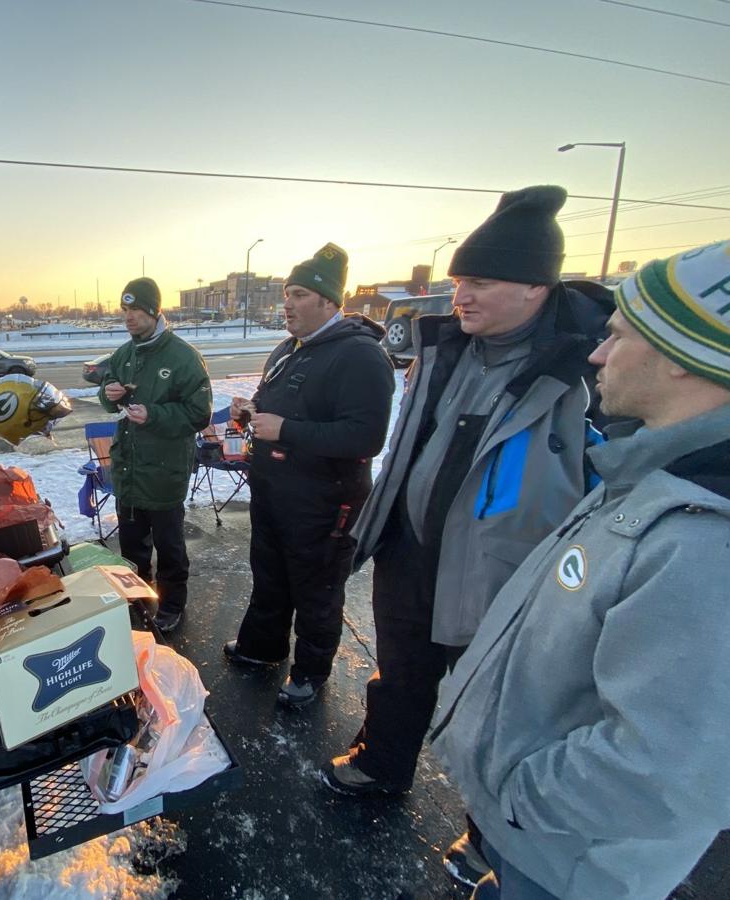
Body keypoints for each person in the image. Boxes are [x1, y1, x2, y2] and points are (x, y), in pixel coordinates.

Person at [325, 185, 614, 883]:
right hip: (410, 550)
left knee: (498, 712)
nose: (461, 295)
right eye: (457, 280)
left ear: (535, 286)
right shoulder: (448, 349)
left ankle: (491, 837)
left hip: (503, 573)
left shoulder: (585, 370)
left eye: (479, 281)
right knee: (400, 673)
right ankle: (382, 763)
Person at [430, 240, 730, 900]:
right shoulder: (645, 474)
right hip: (537, 842)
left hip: (570, 864)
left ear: (684, 359)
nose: (597, 352)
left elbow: (669, 770)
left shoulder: (704, 539)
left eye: (617, 336)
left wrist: (516, 797)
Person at [222, 242, 394, 707]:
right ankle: (263, 647)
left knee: (316, 590)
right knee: (270, 575)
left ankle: (310, 673)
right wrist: (250, 414)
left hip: (325, 502)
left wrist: (286, 429)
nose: (287, 303)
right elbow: (281, 411)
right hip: (276, 492)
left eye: (298, 294)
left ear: (329, 301)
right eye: (286, 293)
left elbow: (365, 437)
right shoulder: (290, 348)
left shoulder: (360, 355)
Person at [98, 277, 212, 632]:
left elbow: (199, 414)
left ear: (154, 310)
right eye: (125, 310)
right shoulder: (125, 353)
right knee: (132, 547)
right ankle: (139, 601)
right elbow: (105, 392)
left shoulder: (182, 357)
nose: (128, 317)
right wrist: (109, 394)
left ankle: (172, 605)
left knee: (170, 548)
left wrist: (155, 415)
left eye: (136, 310)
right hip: (129, 470)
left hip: (164, 472)